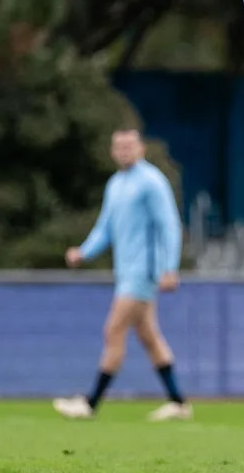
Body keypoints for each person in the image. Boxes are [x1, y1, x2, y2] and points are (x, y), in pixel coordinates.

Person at [52, 128, 191, 422]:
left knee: (113, 330)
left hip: (144, 273)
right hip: (125, 272)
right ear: (113, 151)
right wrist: (84, 252)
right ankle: (178, 402)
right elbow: (105, 227)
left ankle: (90, 403)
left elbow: (168, 225)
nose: (124, 151)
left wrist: (169, 268)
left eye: (129, 145)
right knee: (149, 337)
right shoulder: (116, 184)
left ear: (141, 148)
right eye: (119, 146)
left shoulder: (152, 182)